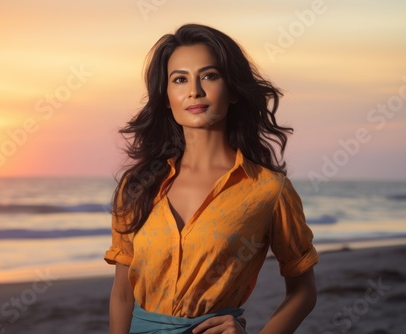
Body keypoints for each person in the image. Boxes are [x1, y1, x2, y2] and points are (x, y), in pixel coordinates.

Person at [104, 23, 318, 334]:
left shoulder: (268, 190)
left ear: (232, 89)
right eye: (180, 79)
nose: (195, 90)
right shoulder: (137, 186)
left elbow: (303, 291)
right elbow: (122, 296)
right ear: (166, 97)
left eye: (209, 76)